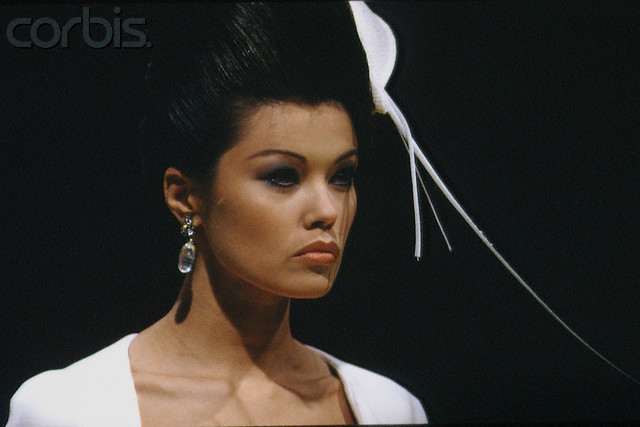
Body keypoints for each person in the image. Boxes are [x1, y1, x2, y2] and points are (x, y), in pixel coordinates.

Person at [7, 3, 427, 426]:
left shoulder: (390, 410)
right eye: (282, 176)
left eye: (342, 176)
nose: (327, 210)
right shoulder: (70, 410)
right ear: (185, 196)